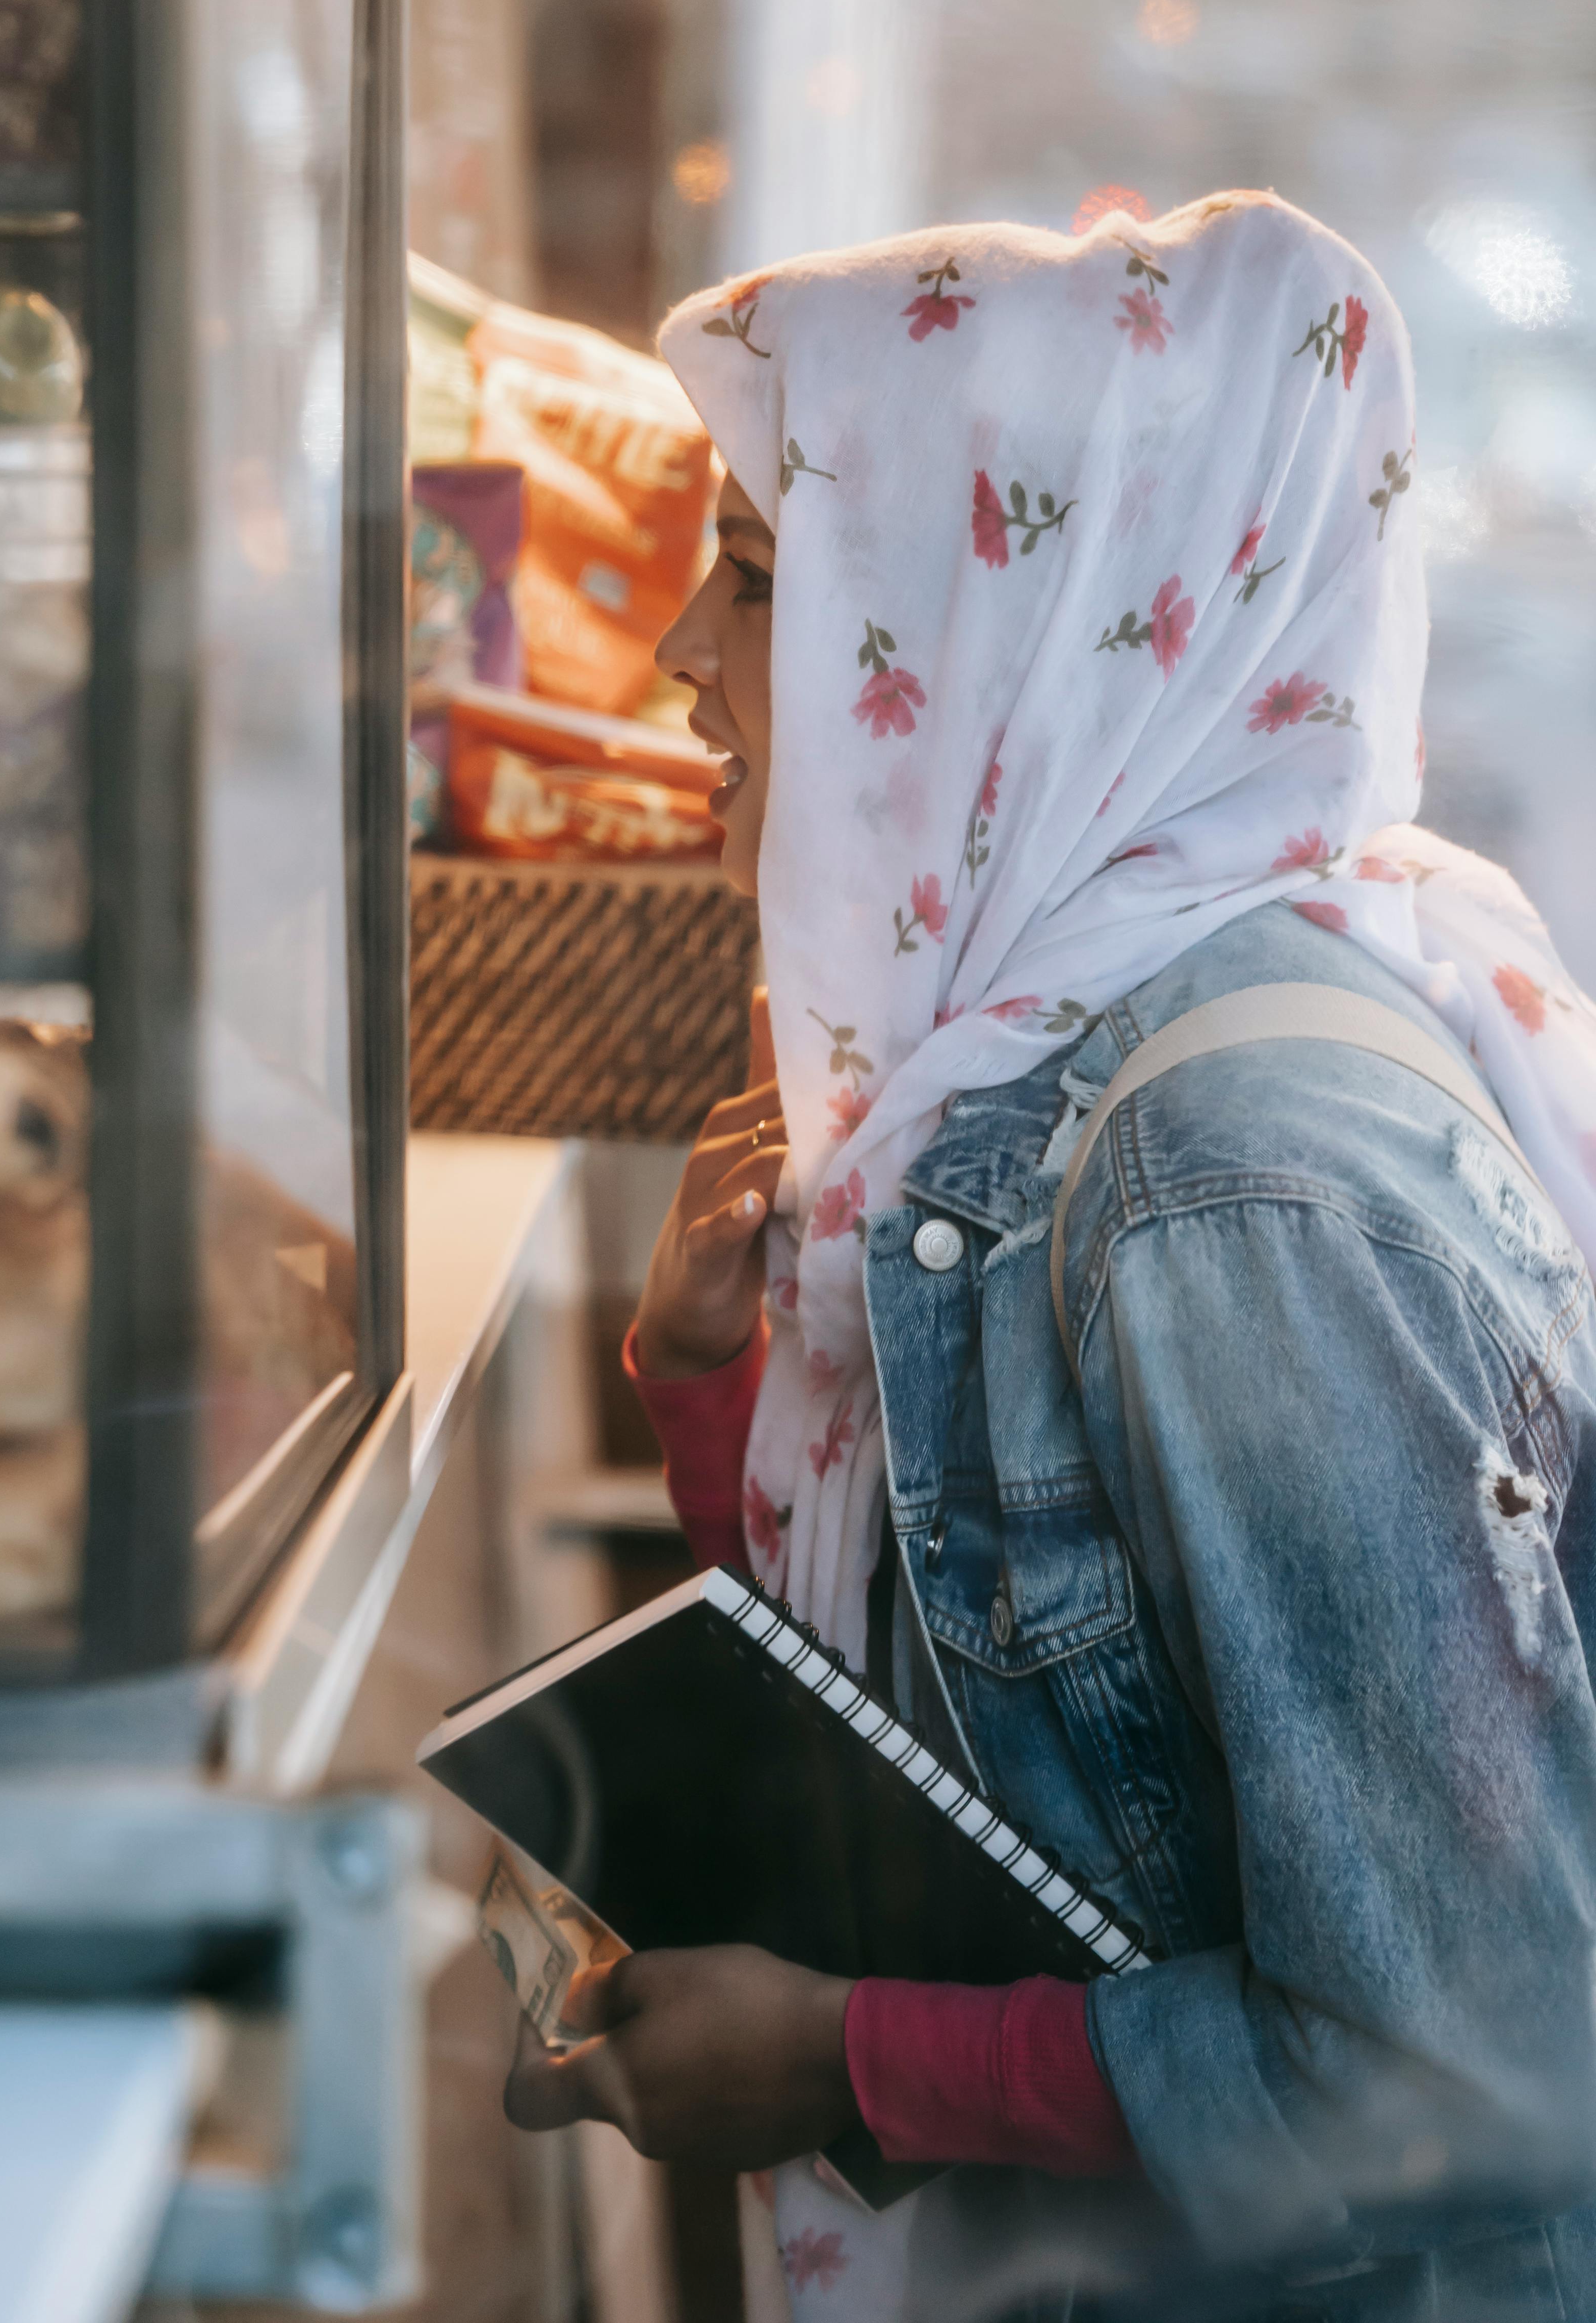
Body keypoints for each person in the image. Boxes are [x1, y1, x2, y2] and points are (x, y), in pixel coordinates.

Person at [504, 194, 1596, 2320]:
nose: (679, 664)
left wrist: (843, 2063)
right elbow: (1048, 1698)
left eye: (756, 584)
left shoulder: (1226, 1194)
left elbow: (1468, 2067)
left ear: (998, 635)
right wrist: (710, 1383)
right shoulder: (1068, 1053)